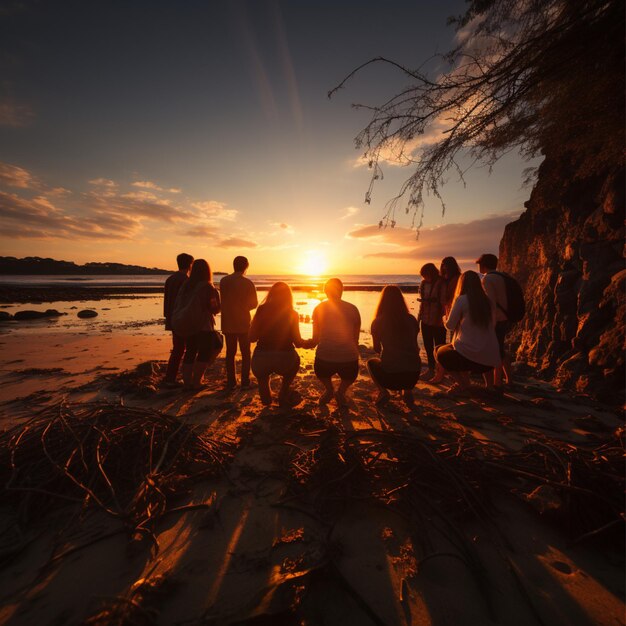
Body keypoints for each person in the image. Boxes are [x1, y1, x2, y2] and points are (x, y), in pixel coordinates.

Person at [435, 271, 501, 393]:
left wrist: (445, 317)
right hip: (490, 359)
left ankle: (463, 384)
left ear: (462, 284)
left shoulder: (462, 300)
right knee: (476, 346)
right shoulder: (488, 301)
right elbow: (492, 324)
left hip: (471, 359)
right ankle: (489, 386)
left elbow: (449, 326)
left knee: (439, 352)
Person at [249, 282, 306, 407]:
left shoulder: (261, 310)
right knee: (295, 360)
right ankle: (283, 391)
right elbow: (297, 342)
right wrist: (309, 342)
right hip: (285, 358)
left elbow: (252, 338)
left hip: (261, 358)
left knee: (262, 377)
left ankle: (266, 397)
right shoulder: (292, 313)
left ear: (271, 294)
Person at [309, 278, 361, 406]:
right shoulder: (353, 308)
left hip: (324, 360)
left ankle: (329, 389)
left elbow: (315, 339)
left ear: (326, 291)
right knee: (350, 375)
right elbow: (355, 339)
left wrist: (304, 343)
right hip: (349, 362)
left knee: (321, 372)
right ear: (342, 290)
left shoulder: (319, 308)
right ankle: (341, 391)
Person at [368, 286, 421, 406]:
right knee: (408, 359)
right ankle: (407, 392)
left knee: (371, 363)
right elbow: (415, 346)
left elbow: (377, 348)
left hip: (391, 376)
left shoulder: (377, 322)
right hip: (413, 375)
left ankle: (383, 392)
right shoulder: (412, 319)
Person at [176, 259, 221, 390]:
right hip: (204, 325)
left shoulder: (186, 285)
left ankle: (187, 383)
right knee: (206, 352)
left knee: (190, 352)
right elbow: (214, 308)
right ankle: (197, 382)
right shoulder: (207, 287)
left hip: (189, 324)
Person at [219, 256, 258, 390]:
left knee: (230, 352)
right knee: (246, 353)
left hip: (228, 321)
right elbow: (254, 304)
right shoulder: (247, 283)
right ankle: (245, 380)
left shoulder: (224, 281)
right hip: (243, 321)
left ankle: (231, 381)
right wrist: (243, 306)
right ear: (246, 266)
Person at [476, 253, 513, 388]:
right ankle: (509, 380)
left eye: (479, 264)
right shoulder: (502, 277)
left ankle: (497, 382)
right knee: (500, 350)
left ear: (483, 265)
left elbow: (490, 304)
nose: (478, 267)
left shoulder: (487, 279)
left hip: (496, 320)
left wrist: (490, 324)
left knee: (494, 352)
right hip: (506, 317)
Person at [162, 252, 194, 387]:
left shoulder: (170, 279)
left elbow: (166, 300)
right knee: (184, 348)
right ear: (190, 265)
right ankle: (174, 377)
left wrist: (167, 316)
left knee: (178, 348)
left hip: (172, 317)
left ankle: (171, 376)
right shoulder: (185, 280)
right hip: (182, 319)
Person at [430, 256, 462, 384]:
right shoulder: (444, 279)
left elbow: (452, 297)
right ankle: (446, 372)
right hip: (447, 314)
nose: (444, 267)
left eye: (446, 264)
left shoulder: (456, 279)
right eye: (443, 264)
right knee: (450, 344)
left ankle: (446, 373)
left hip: (454, 314)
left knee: (453, 345)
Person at [417, 263, 446, 380]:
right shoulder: (423, 284)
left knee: (439, 347)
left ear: (431, 273)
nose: (424, 278)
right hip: (425, 319)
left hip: (438, 320)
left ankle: (441, 372)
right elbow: (422, 304)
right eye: (423, 276)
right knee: (428, 346)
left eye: (426, 275)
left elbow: (443, 301)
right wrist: (418, 318)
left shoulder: (441, 283)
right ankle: (430, 369)